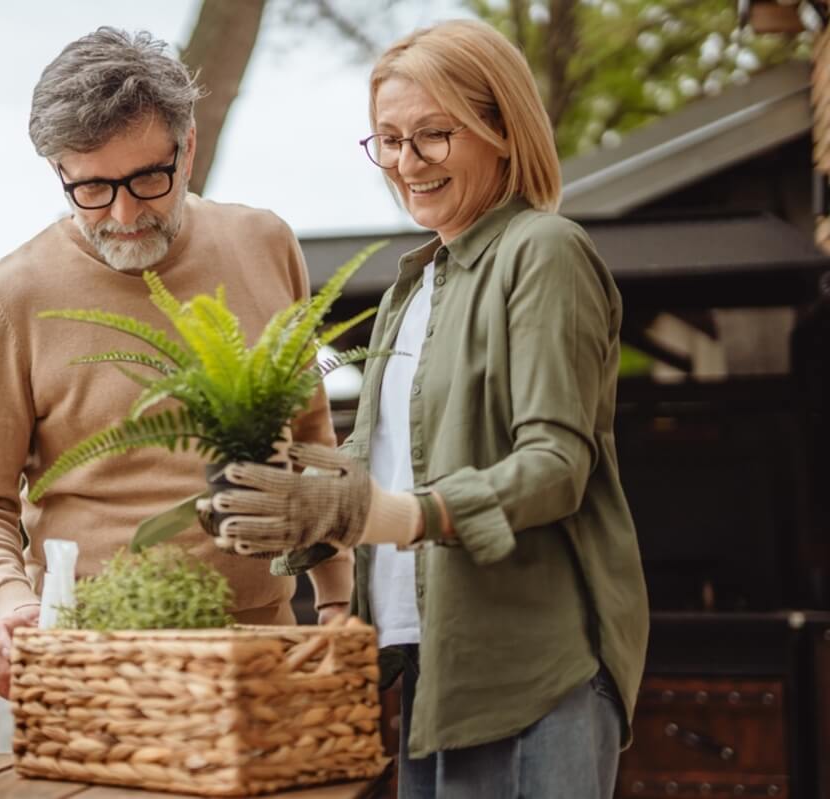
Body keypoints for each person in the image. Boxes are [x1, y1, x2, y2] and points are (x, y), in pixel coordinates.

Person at [204, 19, 649, 799]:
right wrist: (291, 499)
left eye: (433, 136)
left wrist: (396, 516)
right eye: (388, 140)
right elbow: (388, 470)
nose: (407, 163)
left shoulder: (541, 251)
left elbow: (556, 467)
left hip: (532, 670)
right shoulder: (418, 285)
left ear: (501, 130)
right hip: (430, 672)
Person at [0, 27, 352, 701]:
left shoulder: (265, 244)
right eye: (92, 189)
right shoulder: (11, 297)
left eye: (147, 179)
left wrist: (335, 604)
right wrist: (9, 603)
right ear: (58, 173)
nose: (124, 214)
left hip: (264, 650)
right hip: (92, 661)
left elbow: (310, 443)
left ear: (187, 149)